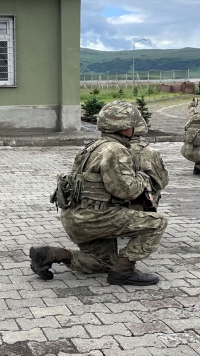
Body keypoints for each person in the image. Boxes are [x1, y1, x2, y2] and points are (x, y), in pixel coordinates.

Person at [30, 101, 168, 286]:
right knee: (157, 223)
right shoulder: (115, 150)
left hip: (77, 217)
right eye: (133, 125)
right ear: (126, 128)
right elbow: (126, 190)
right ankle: (123, 272)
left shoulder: (92, 146)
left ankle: (50, 254)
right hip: (96, 217)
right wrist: (143, 177)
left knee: (103, 262)